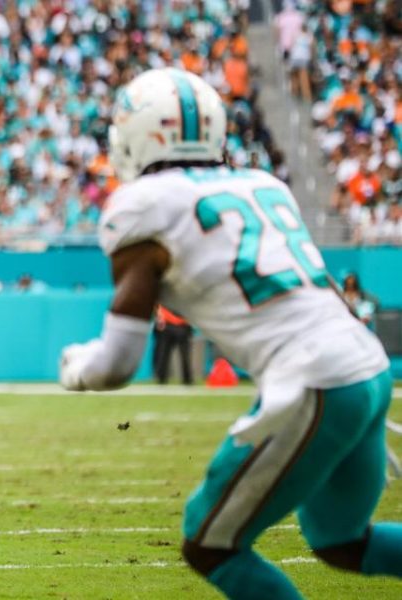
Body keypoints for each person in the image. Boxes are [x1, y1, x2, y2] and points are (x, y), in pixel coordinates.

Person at [59, 68, 400, 599]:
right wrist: (359, 399)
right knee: (341, 540)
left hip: (316, 379)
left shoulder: (140, 206)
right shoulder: (264, 185)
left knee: (209, 544)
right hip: (365, 368)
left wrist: (77, 367)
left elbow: (118, 363)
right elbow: (328, 292)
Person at [153, 305, 193, 385]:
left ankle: (187, 379)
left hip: (182, 325)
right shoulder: (164, 295)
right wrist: (159, 318)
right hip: (166, 325)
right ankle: (161, 379)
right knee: (163, 354)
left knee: (185, 355)